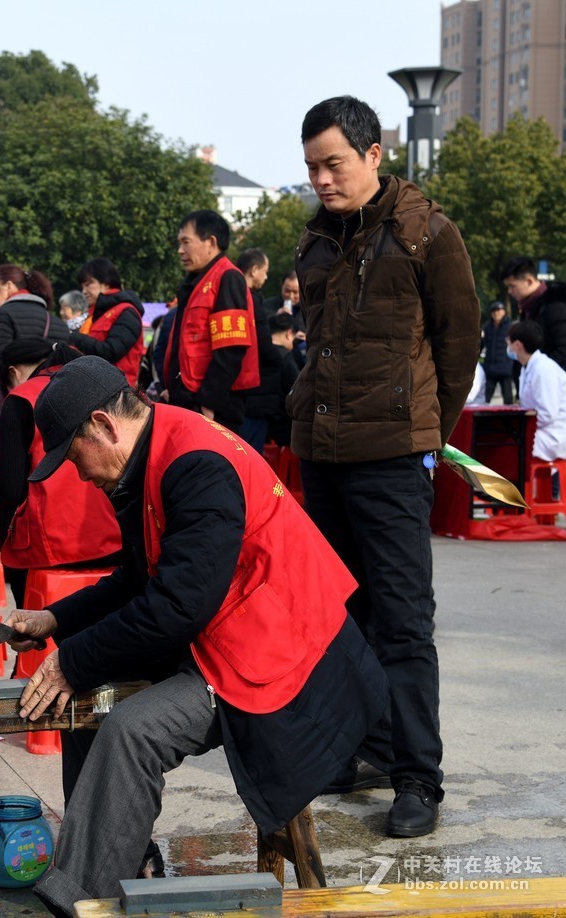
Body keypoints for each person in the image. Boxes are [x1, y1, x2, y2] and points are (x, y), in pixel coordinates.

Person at [1, 357, 386, 915]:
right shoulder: (154, 448)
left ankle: (79, 902)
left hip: (280, 649)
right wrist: (56, 621)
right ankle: (121, 862)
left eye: (74, 456)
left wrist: (71, 660)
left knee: (130, 730)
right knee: (85, 700)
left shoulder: (196, 463)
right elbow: (140, 578)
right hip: (223, 627)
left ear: (104, 426)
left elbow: (176, 607)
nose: (78, 475)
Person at [292, 95, 479, 837]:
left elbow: (458, 348)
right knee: (339, 617)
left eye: (334, 164)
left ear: (374, 155)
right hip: (322, 454)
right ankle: (363, 746)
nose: (322, 180)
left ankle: (417, 777)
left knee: (403, 622)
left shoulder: (427, 233)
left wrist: (422, 431)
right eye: (312, 167)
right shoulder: (315, 241)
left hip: (394, 458)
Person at [0, 340, 121, 603]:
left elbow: (10, 489)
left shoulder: (21, 399)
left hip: (49, 550)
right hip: (116, 544)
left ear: (13, 373)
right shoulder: (104, 388)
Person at [164, 210, 259, 429]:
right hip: (187, 397)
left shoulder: (227, 277)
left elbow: (231, 348)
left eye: (186, 242)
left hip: (212, 406)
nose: (180, 250)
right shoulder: (196, 281)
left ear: (211, 242)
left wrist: (208, 402)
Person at [0, 264, 70, 390]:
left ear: (9, 286)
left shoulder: (2, 315)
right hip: (53, 393)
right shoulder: (59, 323)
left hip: (19, 395)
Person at [70, 257, 146, 385]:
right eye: (82, 286)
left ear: (106, 283)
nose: (84, 291)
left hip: (118, 390)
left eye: (88, 285)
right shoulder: (95, 314)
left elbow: (112, 352)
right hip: (93, 386)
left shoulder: (127, 312)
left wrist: (75, 337)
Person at [508, 320, 566, 464]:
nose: (507, 347)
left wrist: (522, 424)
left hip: (554, 433)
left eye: (508, 342)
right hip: (543, 430)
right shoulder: (528, 367)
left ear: (517, 345)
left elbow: (548, 414)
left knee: (508, 443)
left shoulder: (543, 369)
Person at [235, 248, 275, 451]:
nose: (266, 277)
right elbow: (265, 347)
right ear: (254, 270)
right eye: (265, 271)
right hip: (254, 393)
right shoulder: (251, 300)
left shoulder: (231, 294)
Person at [243, 313, 300, 453]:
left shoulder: (253, 352)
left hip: (250, 417)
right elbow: (297, 391)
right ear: (289, 334)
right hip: (278, 426)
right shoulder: (286, 358)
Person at [500, 256, 566, 370]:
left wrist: (538, 372)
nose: (509, 291)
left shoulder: (555, 305)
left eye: (512, 286)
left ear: (529, 281)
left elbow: (563, 348)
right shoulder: (527, 307)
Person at [481, 302, 515, 404]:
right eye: (494, 311)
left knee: (508, 399)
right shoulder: (487, 327)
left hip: (505, 367)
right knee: (484, 398)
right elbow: (481, 344)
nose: (496, 313)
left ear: (504, 311)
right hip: (490, 368)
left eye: (499, 310)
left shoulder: (510, 327)